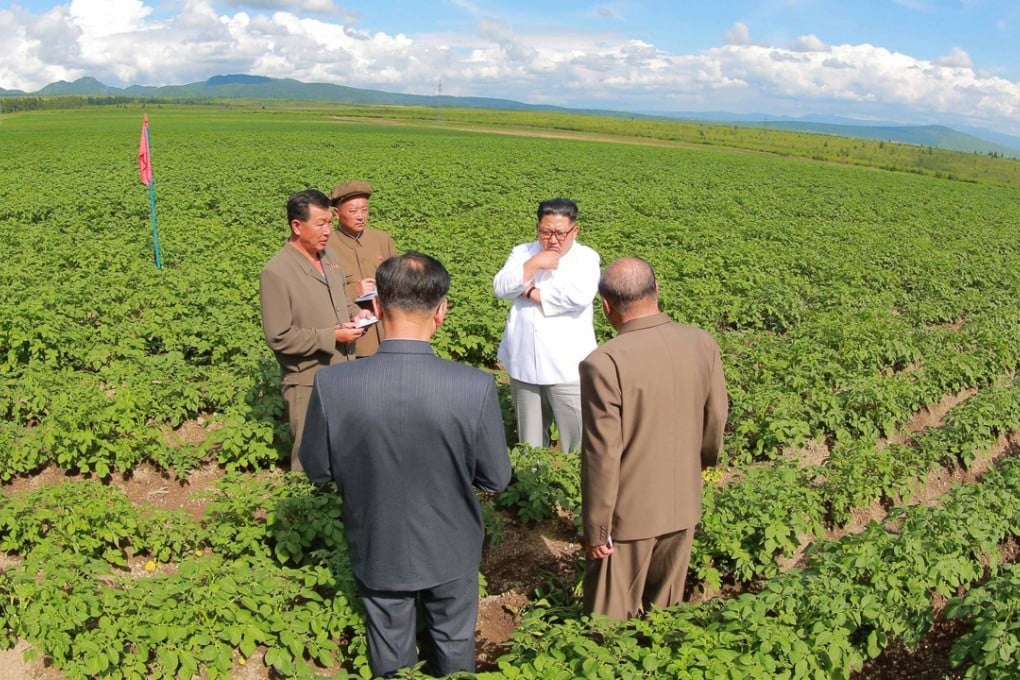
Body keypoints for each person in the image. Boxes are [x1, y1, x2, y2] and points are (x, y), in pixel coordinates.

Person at [299, 252, 512, 678]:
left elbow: (319, 470)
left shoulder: (334, 383)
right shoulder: (474, 386)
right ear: (442, 311)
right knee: (453, 642)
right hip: (451, 542)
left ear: (376, 307)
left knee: (388, 641)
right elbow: (495, 477)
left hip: (377, 537)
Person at [579, 257, 728, 621]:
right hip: (684, 503)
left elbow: (602, 454)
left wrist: (597, 528)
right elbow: (717, 417)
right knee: (666, 617)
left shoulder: (605, 362)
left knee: (608, 624)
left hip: (629, 518)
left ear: (606, 307)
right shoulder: (701, 342)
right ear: (657, 291)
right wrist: (700, 464)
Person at [259, 188, 370, 471]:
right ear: (297, 226)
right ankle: (304, 509)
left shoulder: (329, 257)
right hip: (307, 379)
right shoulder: (277, 272)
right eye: (319, 223)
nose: (327, 230)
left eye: (329, 222)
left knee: (344, 448)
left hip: (344, 368)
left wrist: (359, 316)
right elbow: (278, 337)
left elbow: (342, 301)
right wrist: (331, 336)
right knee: (310, 453)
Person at [493, 197, 599, 453]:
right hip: (524, 362)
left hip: (567, 367)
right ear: (537, 228)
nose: (552, 240)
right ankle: (532, 483)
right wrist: (533, 265)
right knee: (530, 440)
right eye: (546, 232)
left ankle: (576, 486)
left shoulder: (586, 258)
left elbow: (577, 296)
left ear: (575, 230)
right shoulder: (523, 253)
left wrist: (529, 291)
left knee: (577, 440)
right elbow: (501, 287)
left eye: (560, 233)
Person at [327, 180, 398, 358]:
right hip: (356, 343)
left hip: (388, 334)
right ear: (336, 214)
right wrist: (354, 291)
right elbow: (318, 293)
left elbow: (399, 280)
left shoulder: (382, 239)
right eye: (353, 211)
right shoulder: (326, 246)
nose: (360, 216)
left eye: (364, 210)